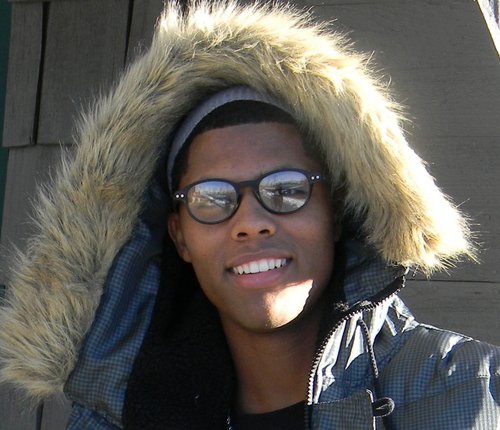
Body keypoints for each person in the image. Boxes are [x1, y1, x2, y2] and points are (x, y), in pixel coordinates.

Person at [0, 2, 498, 429]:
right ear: (180, 236)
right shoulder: (111, 420)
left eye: (287, 189)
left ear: (336, 211)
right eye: (212, 198)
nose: (250, 222)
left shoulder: (477, 394)